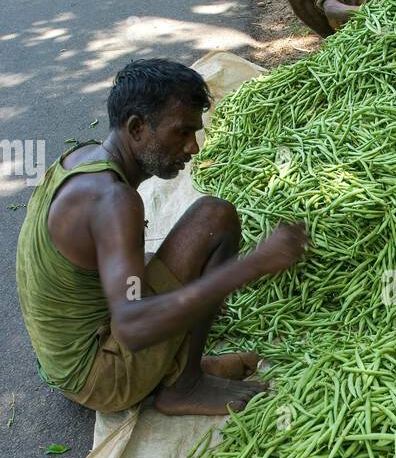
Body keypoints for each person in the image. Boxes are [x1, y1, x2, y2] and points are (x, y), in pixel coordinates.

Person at [16, 58, 309, 417]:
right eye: (182, 132)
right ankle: (185, 385)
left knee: (210, 221)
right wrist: (253, 265)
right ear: (137, 128)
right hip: (99, 377)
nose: (194, 148)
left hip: (62, 360)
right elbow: (134, 326)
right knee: (216, 220)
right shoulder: (115, 201)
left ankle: (176, 360)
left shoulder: (82, 158)